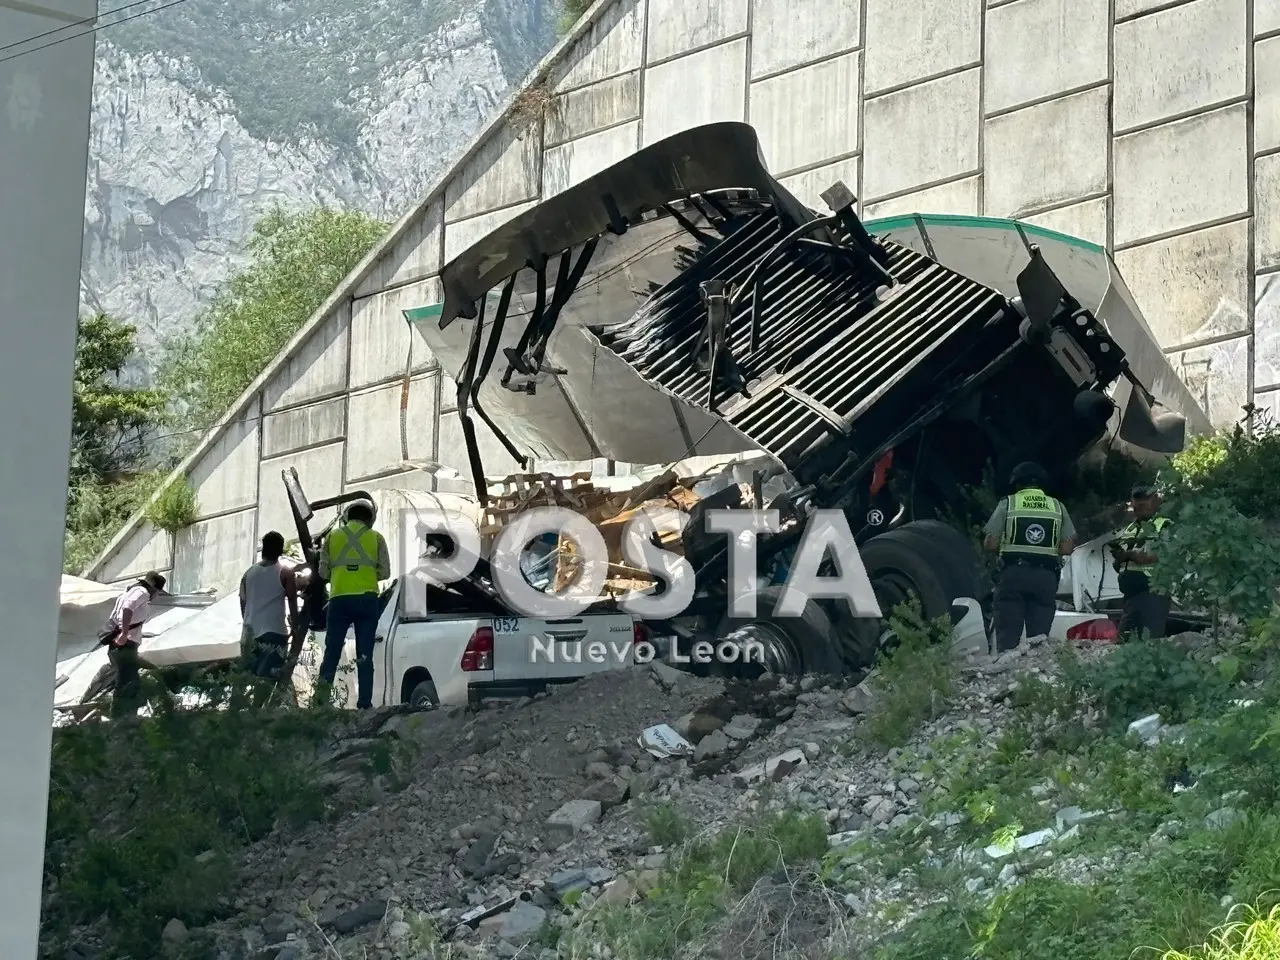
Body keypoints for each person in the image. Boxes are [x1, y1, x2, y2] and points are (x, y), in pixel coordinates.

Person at [982, 462, 1077, 653]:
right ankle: (1037, 676)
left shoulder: (1008, 503)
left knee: (1008, 639)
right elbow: (1067, 547)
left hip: (1013, 575)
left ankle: (1006, 677)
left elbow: (990, 543)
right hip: (1045, 578)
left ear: (1017, 484)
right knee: (1039, 641)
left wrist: (1009, 547)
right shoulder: (1057, 507)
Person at [316, 499, 390, 709]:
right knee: (365, 653)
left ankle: (320, 702)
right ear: (369, 519)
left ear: (347, 517)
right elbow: (385, 572)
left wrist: (339, 574)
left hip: (339, 599)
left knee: (332, 651)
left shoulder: (332, 536)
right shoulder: (376, 538)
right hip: (367, 600)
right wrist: (367, 573)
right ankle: (364, 703)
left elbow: (322, 572)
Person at [239, 531, 305, 704]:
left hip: (249, 634)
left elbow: (243, 603)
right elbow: (292, 599)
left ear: (263, 548)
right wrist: (296, 627)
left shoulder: (248, 573)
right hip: (274, 632)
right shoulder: (285, 572)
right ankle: (258, 715)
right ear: (281, 550)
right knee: (267, 679)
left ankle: (239, 715)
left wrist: (248, 623)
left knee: (248, 677)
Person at [1111, 483, 1173, 640]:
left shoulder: (1163, 525)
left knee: (1149, 641)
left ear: (1156, 500)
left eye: (1146, 498)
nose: (1141, 503)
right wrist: (1119, 560)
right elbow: (1120, 563)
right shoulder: (1129, 529)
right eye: (1137, 498)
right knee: (1124, 642)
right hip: (1130, 596)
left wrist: (1131, 555)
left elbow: (1164, 554)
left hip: (1153, 593)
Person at [102, 570, 166, 718]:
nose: (156, 595)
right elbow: (127, 608)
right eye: (158, 592)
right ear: (153, 588)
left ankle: (124, 715)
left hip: (120, 644)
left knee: (128, 681)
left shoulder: (129, 591)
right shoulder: (142, 592)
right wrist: (125, 633)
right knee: (127, 682)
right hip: (126, 643)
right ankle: (122, 717)